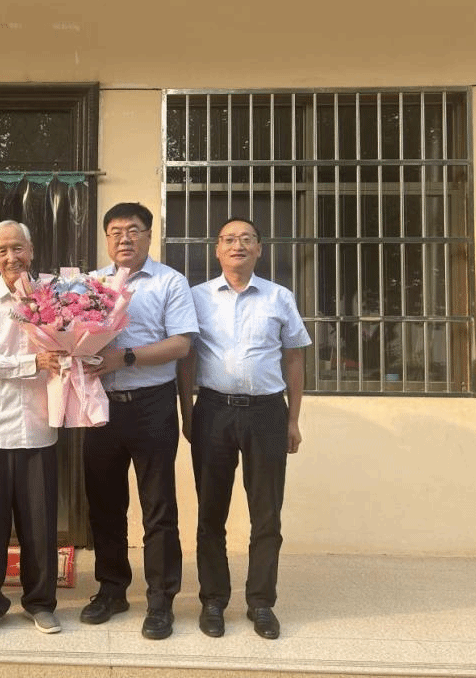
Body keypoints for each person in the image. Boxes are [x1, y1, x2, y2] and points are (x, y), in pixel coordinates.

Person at [176, 217, 311, 640]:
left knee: (267, 513)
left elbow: (294, 358)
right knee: (210, 512)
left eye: (247, 239)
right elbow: (186, 359)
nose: (238, 245)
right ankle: (213, 600)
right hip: (212, 410)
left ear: (259, 249)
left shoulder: (279, 297)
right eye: (229, 239)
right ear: (217, 249)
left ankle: (261, 602)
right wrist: (187, 413)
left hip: (267, 413)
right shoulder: (197, 297)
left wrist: (293, 419)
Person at [80, 202, 197, 640]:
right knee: (104, 504)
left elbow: (181, 345)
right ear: (106, 239)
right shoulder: (90, 284)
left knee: (158, 506)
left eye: (133, 229)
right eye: (115, 231)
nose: (124, 238)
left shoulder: (170, 282)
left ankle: (161, 600)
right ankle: (111, 590)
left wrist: (124, 357)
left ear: (149, 235)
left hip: (152, 405)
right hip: (101, 406)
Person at [0, 220, 65, 639]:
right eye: (2, 250)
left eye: (18, 248)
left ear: (31, 249)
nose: (12, 257)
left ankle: (40, 603)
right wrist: (33, 363)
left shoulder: (56, 296)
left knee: (39, 523)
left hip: (39, 424)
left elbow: (71, 346)